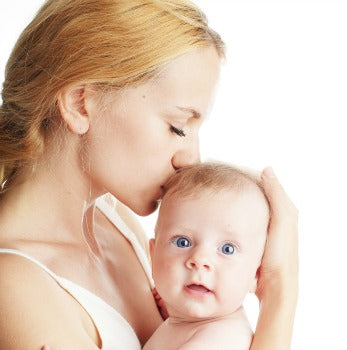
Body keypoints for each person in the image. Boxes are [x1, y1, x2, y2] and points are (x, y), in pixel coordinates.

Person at [0, 0, 298, 349]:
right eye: (177, 127)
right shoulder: (15, 286)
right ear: (81, 103)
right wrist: (279, 291)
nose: (192, 159)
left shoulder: (117, 222)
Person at [143, 162, 270, 350]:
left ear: (256, 274)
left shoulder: (221, 339)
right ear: (153, 256)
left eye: (227, 249)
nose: (200, 259)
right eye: (182, 242)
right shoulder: (186, 324)